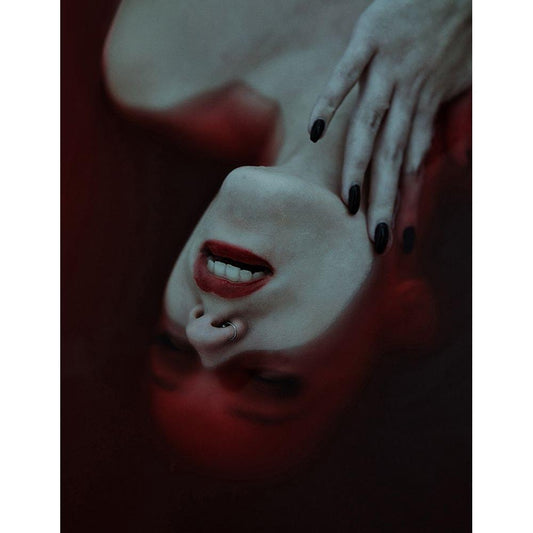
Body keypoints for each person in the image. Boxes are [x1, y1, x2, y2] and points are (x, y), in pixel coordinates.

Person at [102, 0, 471, 479]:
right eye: (269, 381)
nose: (202, 333)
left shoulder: (156, 64)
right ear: (405, 314)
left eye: (173, 347)